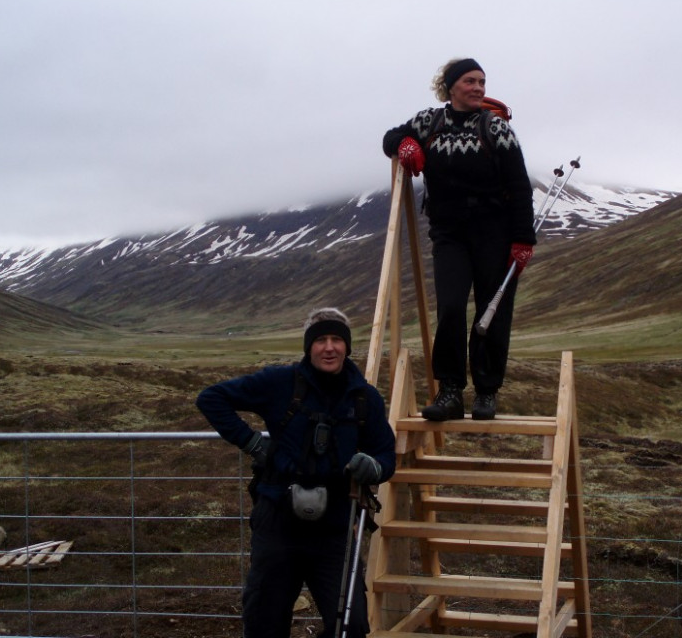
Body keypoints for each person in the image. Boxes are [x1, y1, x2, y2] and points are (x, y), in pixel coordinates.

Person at [196, 307, 396, 638]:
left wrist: (374, 467)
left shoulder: (365, 398)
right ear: (308, 346)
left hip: (335, 528)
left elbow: (386, 453)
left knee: (351, 627)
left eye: (336, 340)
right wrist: (252, 443)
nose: (329, 348)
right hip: (278, 523)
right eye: (320, 340)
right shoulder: (279, 383)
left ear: (347, 346)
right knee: (264, 625)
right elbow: (211, 398)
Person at [382, 57, 536, 422]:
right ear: (450, 87)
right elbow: (390, 138)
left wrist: (523, 240)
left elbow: (520, 187)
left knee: (492, 310)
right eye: (470, 81)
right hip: (449, 233)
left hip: (495, 234)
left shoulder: (496, 129)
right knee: (450, 307)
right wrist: (406, 144)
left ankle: (486, 392)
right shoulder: (429, 122)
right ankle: (450, 391)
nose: (479, 88)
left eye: (482, 82)